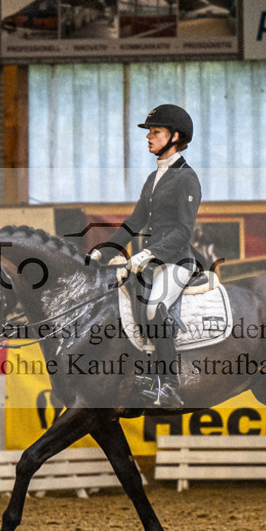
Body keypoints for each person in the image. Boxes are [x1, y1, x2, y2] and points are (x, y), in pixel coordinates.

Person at [90, 104, 201, 408]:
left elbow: (182, 231)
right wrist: (106, 248)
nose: (149, 137)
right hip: (152, 261)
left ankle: (169, 385)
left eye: (156, 132)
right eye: (149, 132)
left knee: (154, 308)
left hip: (177, 260)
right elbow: (134, 222)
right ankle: (143, 373)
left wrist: (150, 253)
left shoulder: (187, 178)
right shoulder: (154, 178)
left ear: (175, 136)